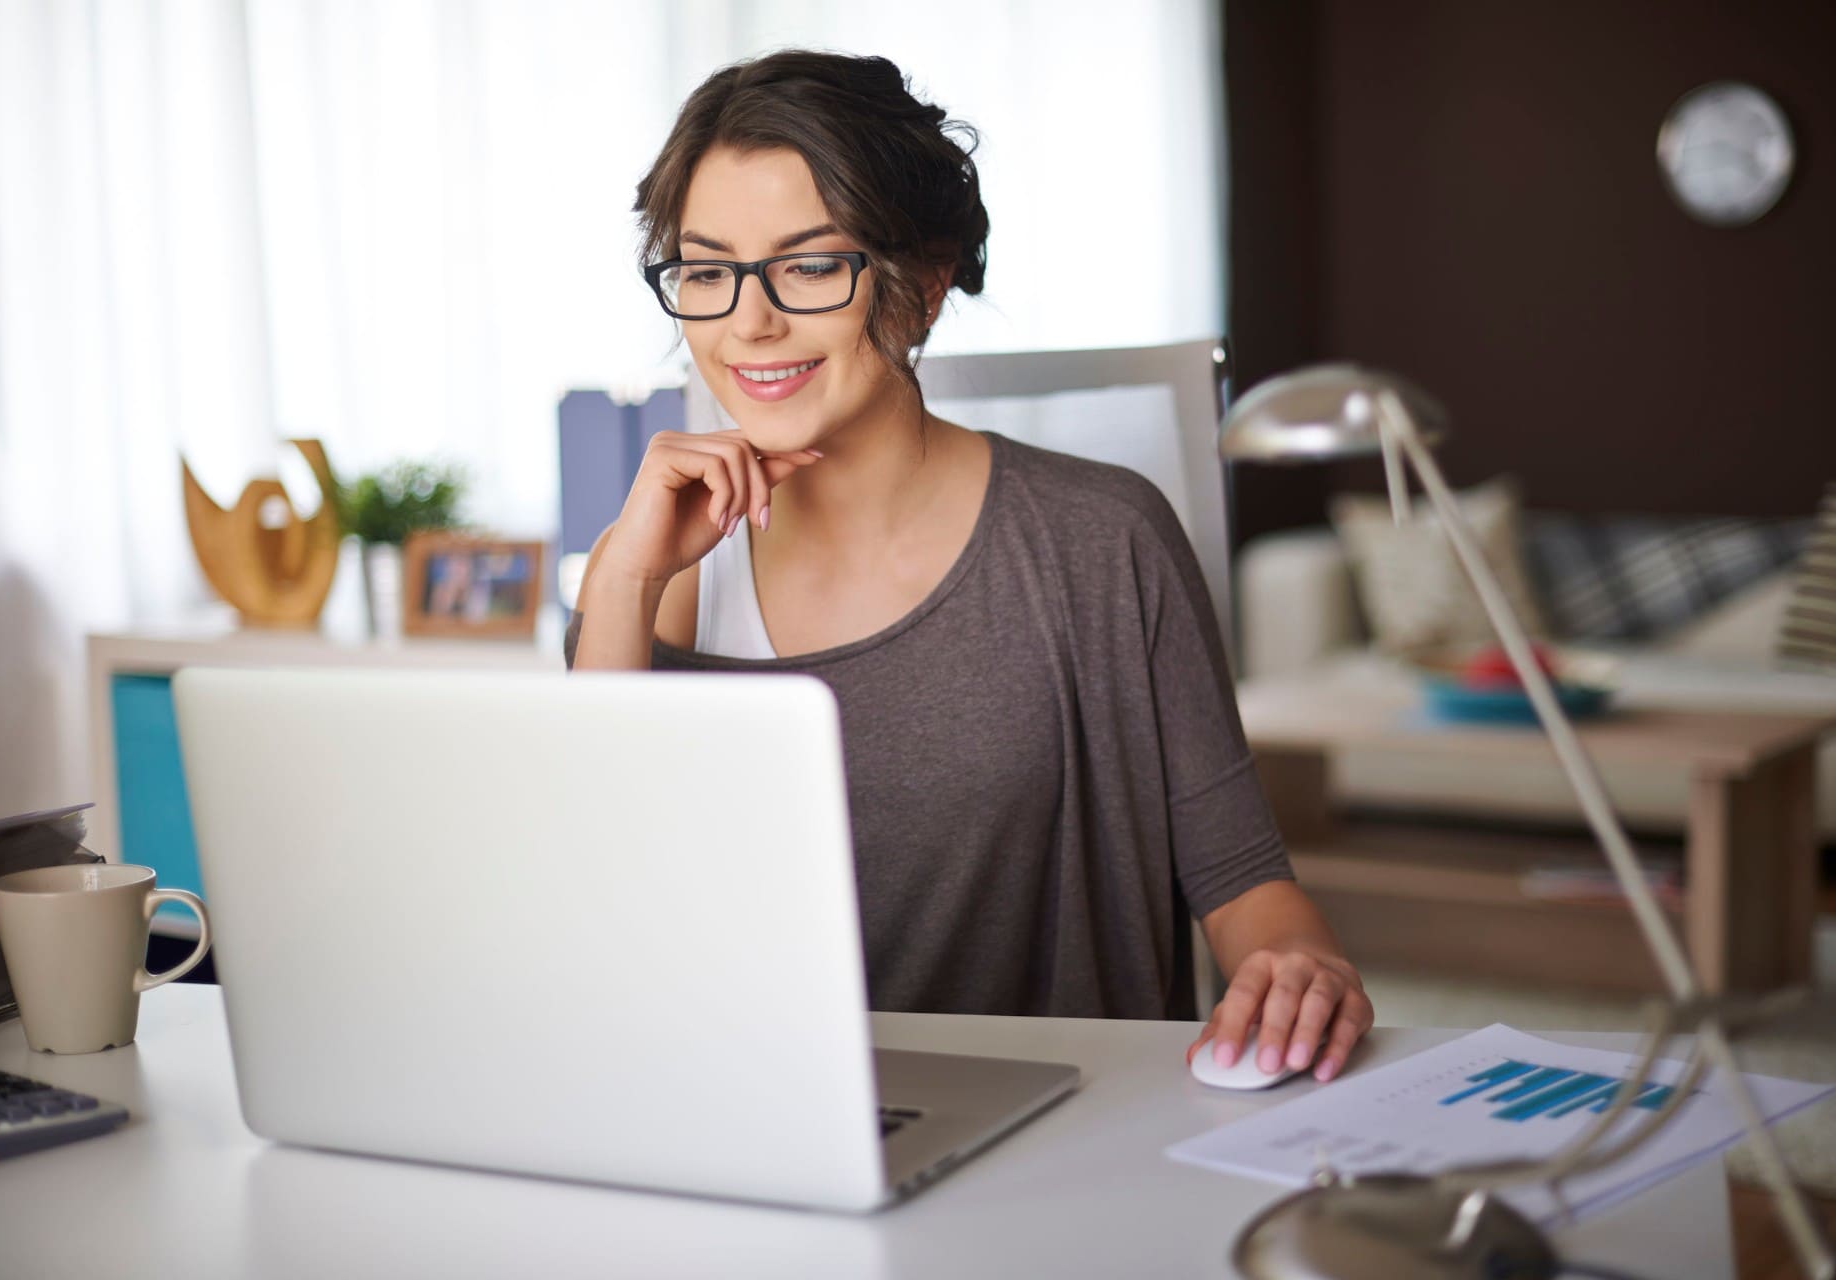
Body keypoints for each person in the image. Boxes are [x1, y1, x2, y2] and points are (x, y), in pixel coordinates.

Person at [567, 50, 1372, 1084]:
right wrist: (624, 585)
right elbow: (591, 925)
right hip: (743, 1131)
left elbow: (1245, 883)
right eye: (707, 269)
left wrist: (1298, 963)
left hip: (1061, 1147)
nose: (747, 321)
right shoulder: (648, 570)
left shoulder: (1102, 539)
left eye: (810, 264)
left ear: (924, 280)